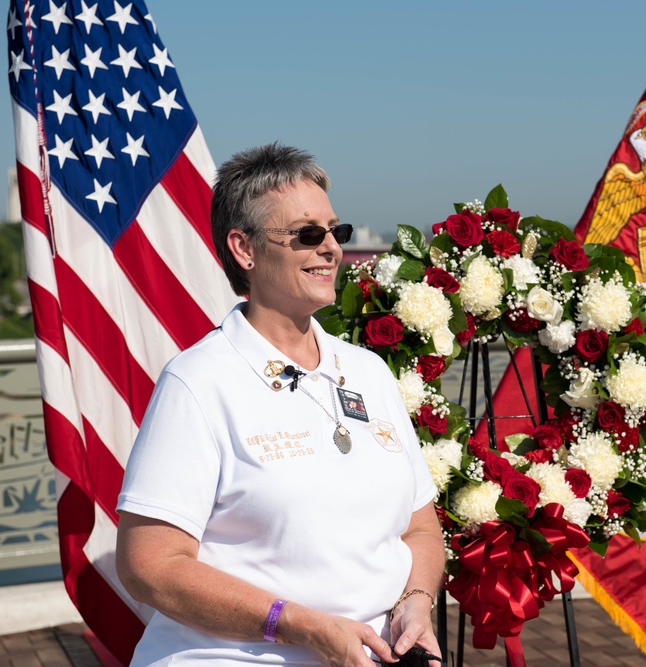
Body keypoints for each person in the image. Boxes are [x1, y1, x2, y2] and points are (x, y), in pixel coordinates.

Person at [116, 144, 444, 667]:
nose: (331, 248)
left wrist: (416, 602)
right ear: (244, 249)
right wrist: (301, 626)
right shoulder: (198, 382)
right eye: (307, 234)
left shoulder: (368, 372)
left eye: (337, 231)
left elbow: (420, 528)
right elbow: (148, 565)